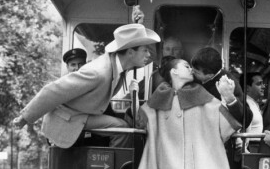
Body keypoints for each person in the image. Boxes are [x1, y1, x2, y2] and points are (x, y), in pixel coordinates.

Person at [13, 23, 160, 148]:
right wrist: (25, 117)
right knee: (121, 128)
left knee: (122, 125)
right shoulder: (98, 72)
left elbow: (148, 60)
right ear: (130, 52)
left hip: (83, 114)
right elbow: (53, 91)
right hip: (69, 118)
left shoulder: (120, 65)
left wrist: (139, 23)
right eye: (145, 50)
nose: (148, 55)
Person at [236, 72, 265, 153]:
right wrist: (244, 151)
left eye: (263, 83)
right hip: (249, 149)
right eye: (259, 84)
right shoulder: (244, 103)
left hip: (256, 148)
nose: (263, 87)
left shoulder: (253, 103)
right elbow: (236, 129)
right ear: (247, 88)